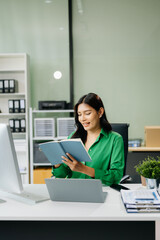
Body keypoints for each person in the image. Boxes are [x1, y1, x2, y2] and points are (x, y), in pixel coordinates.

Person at [52, 93, 124, 186]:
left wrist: (83, 169)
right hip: (73, 191)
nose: (82, 119)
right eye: (79, 114)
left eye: (87, 113)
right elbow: (61, 175)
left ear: (100, 112)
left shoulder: (115, 139)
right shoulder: (72, 138)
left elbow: (115, 177)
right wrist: (57, 163)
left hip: (100, 193)